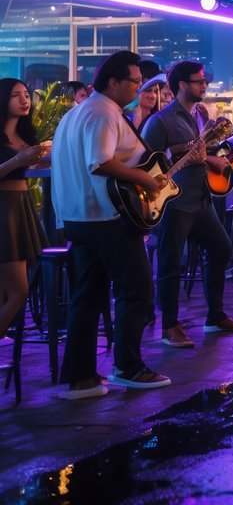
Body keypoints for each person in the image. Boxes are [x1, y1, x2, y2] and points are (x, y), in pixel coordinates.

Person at [52, 51, 171, 397]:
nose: (139, 86)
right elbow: (99, 162)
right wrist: (145, 180)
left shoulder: (78, 113)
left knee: (87, 297)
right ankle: (129, 367)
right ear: (114, 82)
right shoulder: (103, 112)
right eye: (135, 81)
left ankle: (80, 378)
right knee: (137, 290)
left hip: (78, 217)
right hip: (106, 218)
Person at [141, 61, 233, 349]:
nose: (204, 86)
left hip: (201, 199)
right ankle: (170, 326)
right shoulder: (160, 121)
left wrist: (212, 159)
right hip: (175, 202)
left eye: (204, 81)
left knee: (221, 249)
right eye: (198, 81)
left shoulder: (199, 116)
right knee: (170, 264)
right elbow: (146, 164)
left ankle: (215, 316)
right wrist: (183, 154)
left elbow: (204, 152)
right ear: (181, 85)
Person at [0, 79, 46, 346]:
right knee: (19, 290)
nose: (24, 100)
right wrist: (18, 159)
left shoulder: (26, 136)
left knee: (7, 291)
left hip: (21, 204)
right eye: (16, 95)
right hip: (4, 207)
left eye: (26, 95)